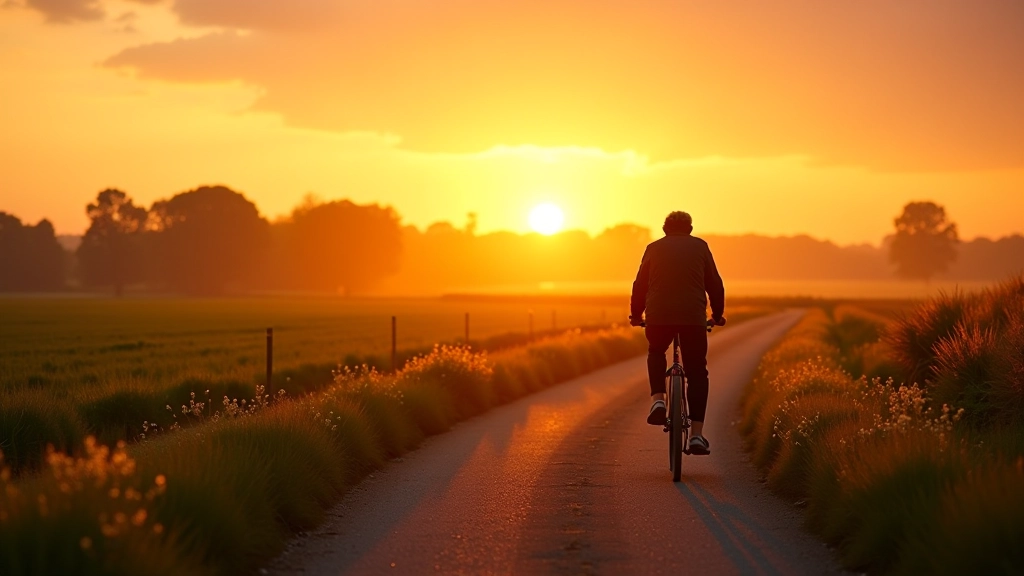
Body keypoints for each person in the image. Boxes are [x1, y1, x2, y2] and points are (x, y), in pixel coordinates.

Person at [629, 211, 725, 456]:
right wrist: (717, 314)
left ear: (664, 229)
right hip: (693, 317)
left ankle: (658, 400)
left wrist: (636, 315)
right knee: (697, 371)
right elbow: (714, 283)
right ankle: (696, 435)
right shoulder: (700, 247)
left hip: (658, 315)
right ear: (690, 229)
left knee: (656, 350)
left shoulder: (653, 248)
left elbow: (639, 284)